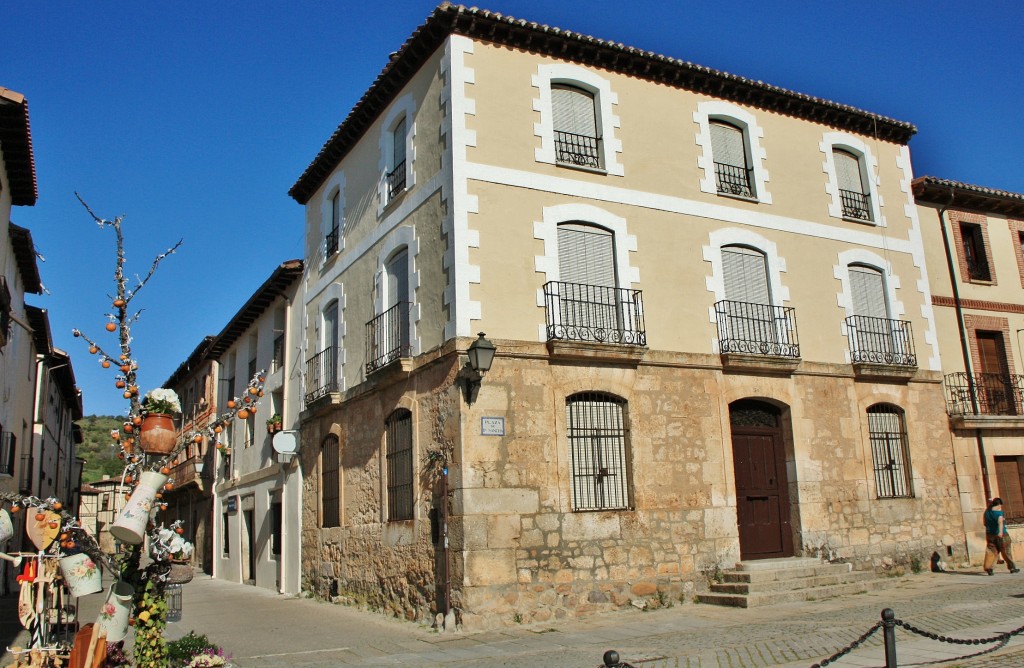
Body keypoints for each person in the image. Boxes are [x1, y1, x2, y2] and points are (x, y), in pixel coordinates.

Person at [983, 497, 1019, 575]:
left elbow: (985, 523)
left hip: (990, 535)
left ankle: (989, 568)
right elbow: (1000, 523)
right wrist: (1000, 532)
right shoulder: (999, 513)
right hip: (1001, 535)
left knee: (991, 551)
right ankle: (1012, 567)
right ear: (999, 505)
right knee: (1006, 551)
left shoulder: (986, 512)